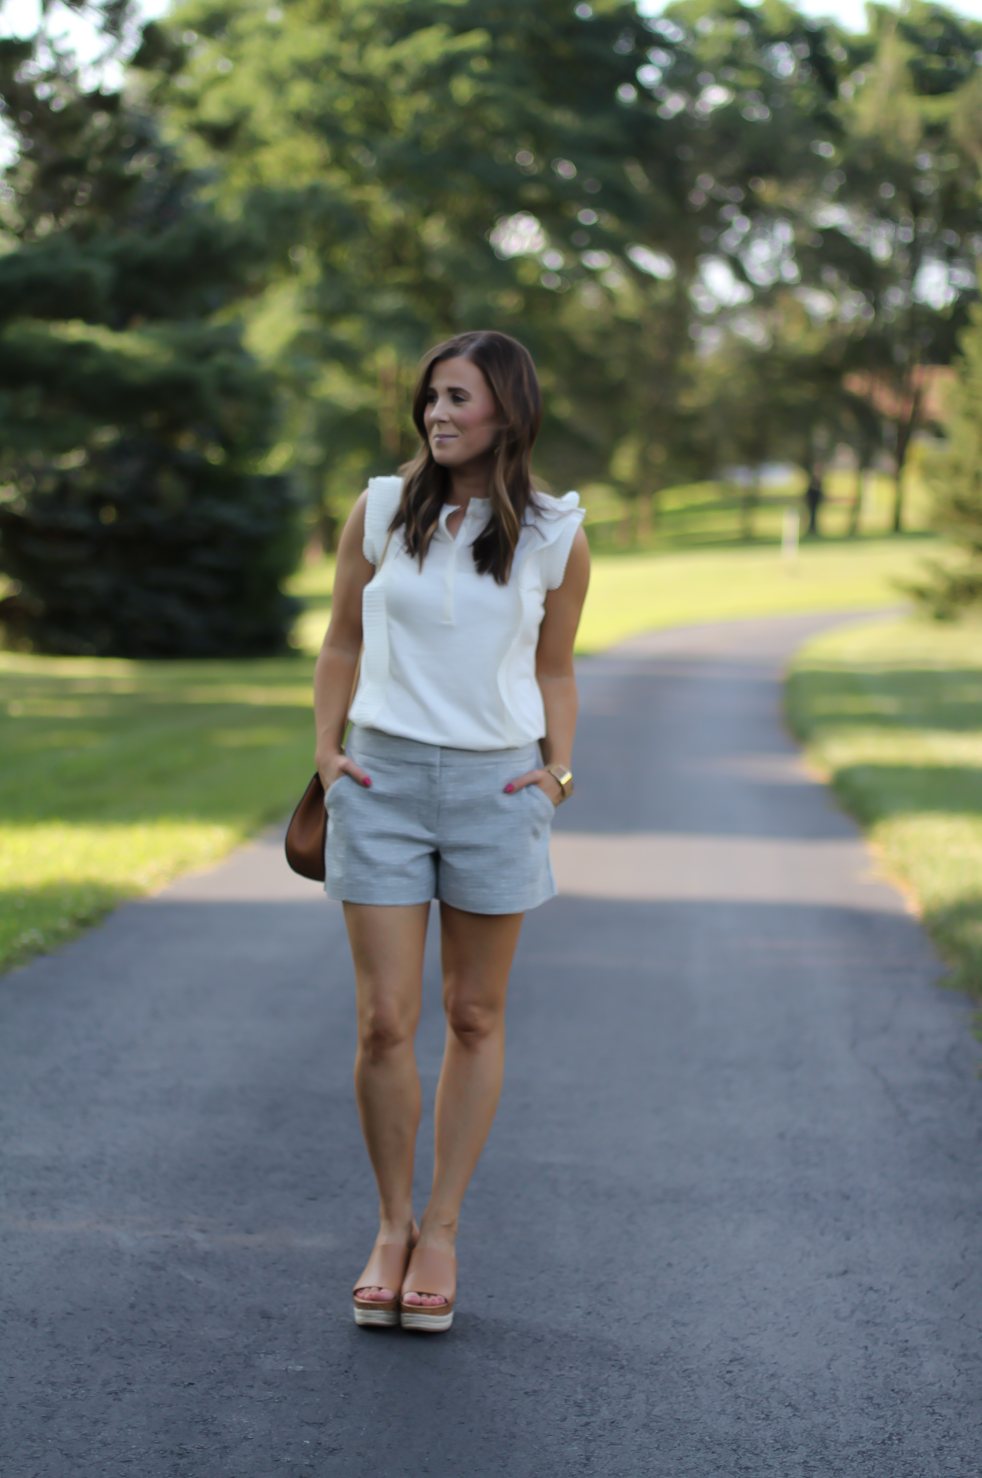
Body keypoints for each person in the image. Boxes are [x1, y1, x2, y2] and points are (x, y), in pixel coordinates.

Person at [313, 330, 590, 1332]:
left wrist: (554, 771)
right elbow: (341, 639)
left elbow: (556, 665)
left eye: (458, 398)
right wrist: (325, 750)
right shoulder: (382, 508)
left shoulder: (556, 530)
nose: (437, 413)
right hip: (380, 779)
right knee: (383, 1018)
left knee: (473, 1014)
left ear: (505, 412)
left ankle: (442, 1227)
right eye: (431, 397)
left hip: (495, 787)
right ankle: (388, 1225)